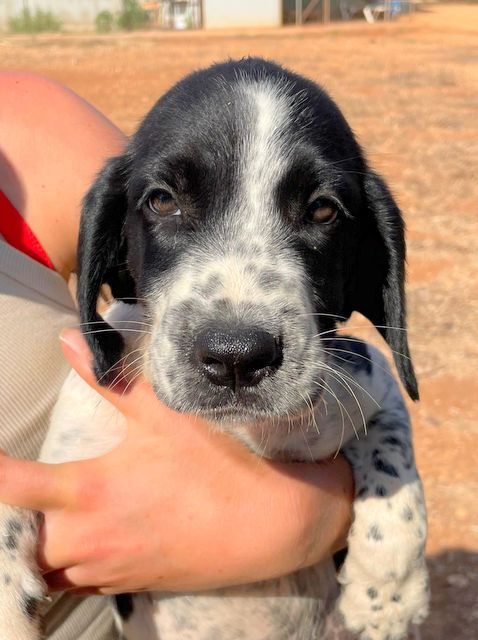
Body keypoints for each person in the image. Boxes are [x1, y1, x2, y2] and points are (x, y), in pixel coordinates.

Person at [0, 71, 354, 639]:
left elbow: (217, 185)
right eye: (165, 200)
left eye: (320, 210)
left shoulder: (27, 124)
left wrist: (304, 518)